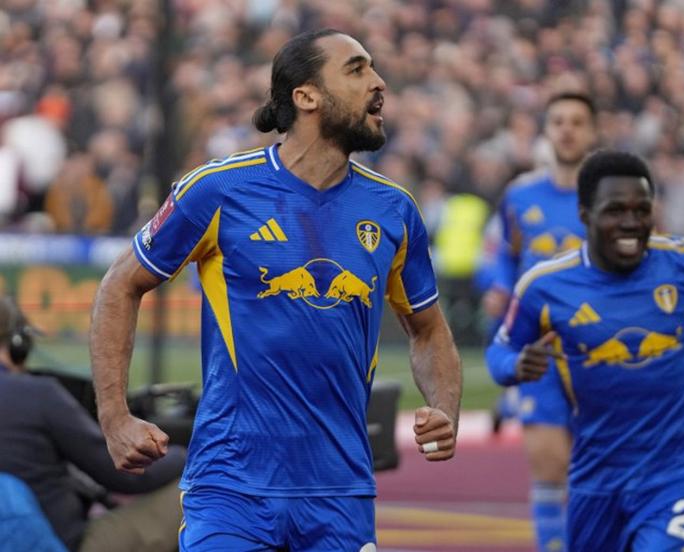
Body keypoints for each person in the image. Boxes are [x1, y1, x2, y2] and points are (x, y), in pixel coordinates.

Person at [89, 28, 462, 552]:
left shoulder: (395, 209)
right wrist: (114, 417)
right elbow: (120, 285)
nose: (379, 82)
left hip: (341, 496)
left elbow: (428, 330)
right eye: (356, 69)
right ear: (305, 96)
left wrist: (445, 409)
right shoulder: (217, 189)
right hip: (230, 490)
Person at [487, 149, 684, 551]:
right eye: (615, 210)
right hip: (597, 476)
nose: (631, 222)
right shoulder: (544, 286)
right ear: (585, 214)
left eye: (642, 210)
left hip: (683, 467)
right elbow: (499, 352)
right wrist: (517, 365)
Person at [483, 92, 597, 550]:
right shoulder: (520, 195)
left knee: (600, 479)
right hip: (541, 353)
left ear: (593, 132)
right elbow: (500, 256)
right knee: (548, 470)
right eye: (558, 121)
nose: (567, 129)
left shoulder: (611, 194)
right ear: (547, 131)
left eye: (577, 121)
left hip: (600, 352)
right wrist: (498, 286)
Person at [0, 296, 185, 552]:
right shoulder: (37, 394)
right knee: (206, 483)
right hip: (61, 543)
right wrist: (184, 454)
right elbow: (126, 476)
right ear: (19, 344)